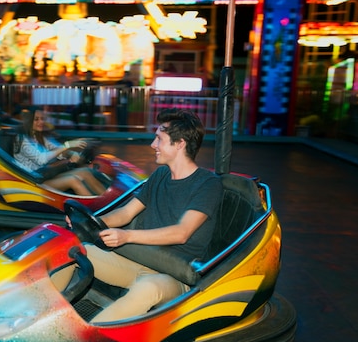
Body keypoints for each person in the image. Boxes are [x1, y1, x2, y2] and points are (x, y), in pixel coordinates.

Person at [60, 108, 222, 323]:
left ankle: (89, 339)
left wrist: (127, 236)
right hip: (138, 262)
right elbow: (126, 213)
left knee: (149, 288)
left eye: (159, 139)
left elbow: (181, 233)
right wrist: (89, 223)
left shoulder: (207, 184)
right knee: (71, 250)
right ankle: (37, 316)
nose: (152, 145)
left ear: (180, 143)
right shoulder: (160, 175)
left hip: (174, 275)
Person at [13, 107, 107, 196]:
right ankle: (94, 210)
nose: (41, 122)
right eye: (36, 119)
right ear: (29, 121)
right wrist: (67, 145)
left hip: (44, 176)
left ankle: (106, 200)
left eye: (42, 119)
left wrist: (71, 154)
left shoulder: (40, 136)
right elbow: (41, 159)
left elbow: (57, 150)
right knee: (72, 180)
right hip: (31, 182)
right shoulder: (22, 140)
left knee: (85, 171)